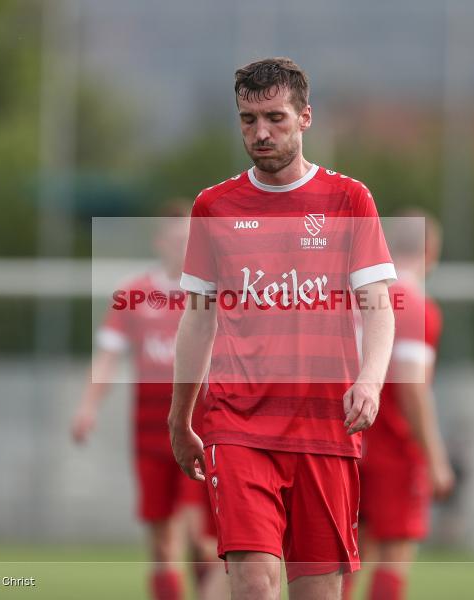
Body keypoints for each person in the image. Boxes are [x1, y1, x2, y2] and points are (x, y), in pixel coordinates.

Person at [169, 57, 396, 600]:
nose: (260, 132)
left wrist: (369, 381)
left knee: (317, 591)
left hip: (324, 428)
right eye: (248, 120)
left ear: (305, 118)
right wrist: (181, 416)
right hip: (239, 424)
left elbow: (379, 307)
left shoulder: (348, 200)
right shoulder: (213, 207)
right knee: (253, 582)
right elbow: (198, 321)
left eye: (275, 117)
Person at [71, 207, 225, 600]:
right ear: (161, 243)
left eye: (192, 242)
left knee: (199, 534)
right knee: (161, 542)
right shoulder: (134, 291)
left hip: (202, 426)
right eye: (177, 241)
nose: (185, 248)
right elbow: (108, 356)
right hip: (150, 428)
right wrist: (88, 407)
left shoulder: (216, 294)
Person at [347, 210, 454, 600]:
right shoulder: (414, 303)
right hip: (394, 449)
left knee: (347, 557)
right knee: (394, 557)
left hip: (346, 443)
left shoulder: (356, 298)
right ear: (432, 252)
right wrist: (436, 458)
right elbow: (412, 387)